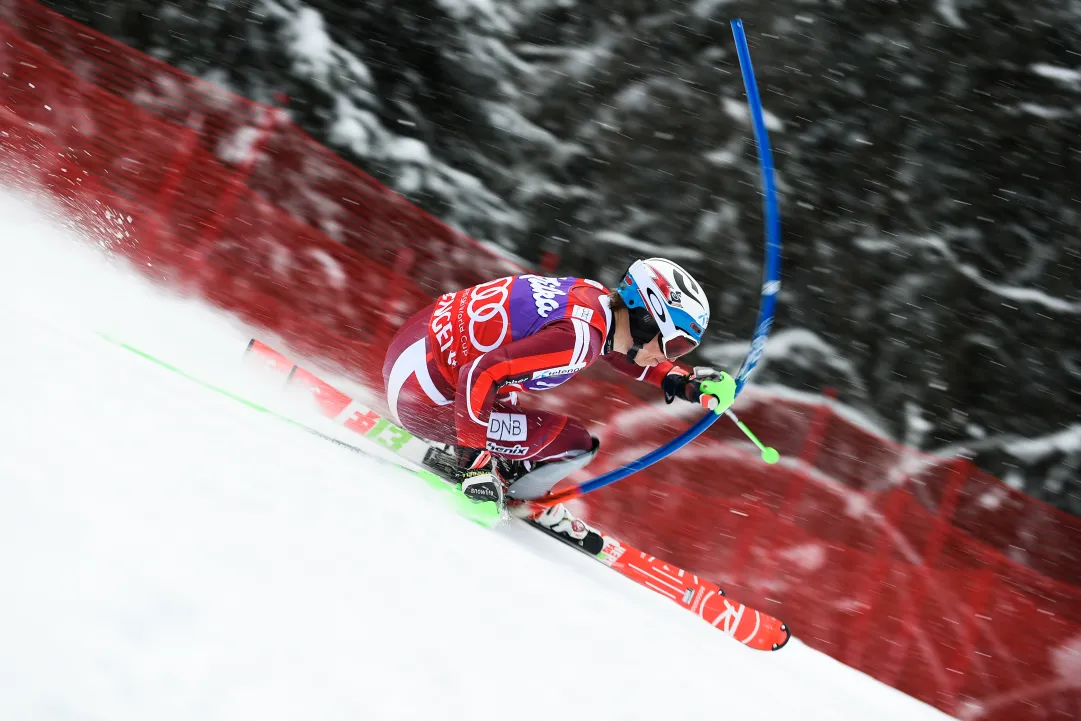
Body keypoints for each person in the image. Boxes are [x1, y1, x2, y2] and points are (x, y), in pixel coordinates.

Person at [381, 258, 734, 545]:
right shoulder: (579, 340)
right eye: (673, 346)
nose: (666, 356)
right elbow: (480, 374)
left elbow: (611, 349)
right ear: (645, 318)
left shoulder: (593, 299)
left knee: (511, 381)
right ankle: (513, 487)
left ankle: (498, 461)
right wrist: (474, 467)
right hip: (422, 400)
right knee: (574, 444)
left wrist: (681, 379)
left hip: (414, 349)